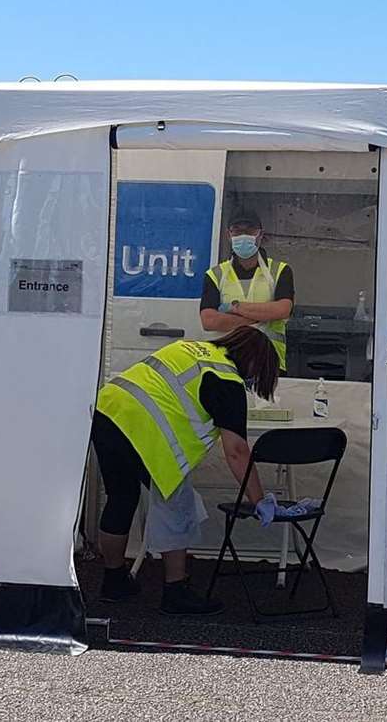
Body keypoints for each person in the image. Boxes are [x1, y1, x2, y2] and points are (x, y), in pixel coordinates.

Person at [90, 327, 278, 615]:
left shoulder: (191, 349)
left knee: (120, 497)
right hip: (143, 431)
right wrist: (259, 499)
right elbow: (237, 451)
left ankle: (114, 582)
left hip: (107, 410)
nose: (254, 382)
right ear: (255, 362)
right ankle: (175, 591)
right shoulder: (227, 380)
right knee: (178, 506)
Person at [199, 210, 294, 370]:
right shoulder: (215, 275)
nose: (243, 235)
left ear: (260, 235)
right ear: (229, 235)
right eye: (237, 230)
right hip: (227, 362)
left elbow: (282, 310)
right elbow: (209, 321)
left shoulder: (280, 271)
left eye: (249, 231)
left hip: (268, 362)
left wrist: (234, 308)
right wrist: (261, 318)